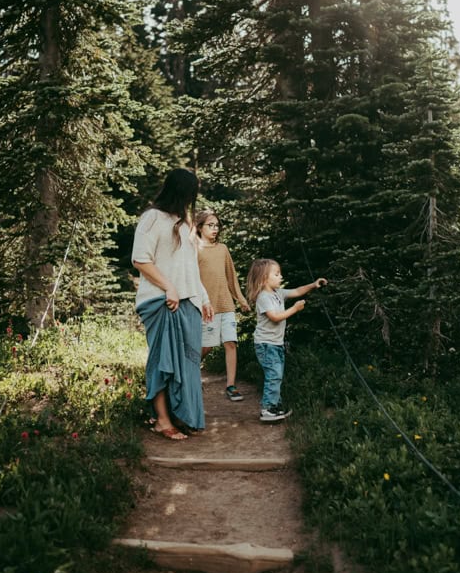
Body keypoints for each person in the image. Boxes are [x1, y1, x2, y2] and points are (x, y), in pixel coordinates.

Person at [132, 168, 214, 440]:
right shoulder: (151, 218)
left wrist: (203, 298)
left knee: (187, 364)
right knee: (163, 360)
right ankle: (161, 420)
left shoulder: (187, 225)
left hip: (187, 303)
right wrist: (169, 288)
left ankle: (181, 415)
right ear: (180, 191)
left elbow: (189, 268)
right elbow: (140, 260)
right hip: (160, 301)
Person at [245, 259, 326, 422]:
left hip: (276, 344)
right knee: (274, 375)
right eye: (276, 274)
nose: (280, 276)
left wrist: (313, 285)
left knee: (276, 375)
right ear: (263, 278)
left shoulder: (278, 293)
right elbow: (275, 317)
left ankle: (274, 406)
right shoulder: (263, 297)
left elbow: (296, 291)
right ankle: (268, 409)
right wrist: (294, 309)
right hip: (266, 344)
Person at [195, 210, 251, 401]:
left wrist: (241, 299)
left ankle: (231, 385)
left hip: (226, 304)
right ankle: (191, 372)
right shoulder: (195, 249)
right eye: (210, 225)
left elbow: (231, 276)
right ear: (200, 227)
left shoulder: (223, 249)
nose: (215, 229)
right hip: (207, 306)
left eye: (217, 225)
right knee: (207, 346)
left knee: (230, 343)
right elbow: (192, 279)